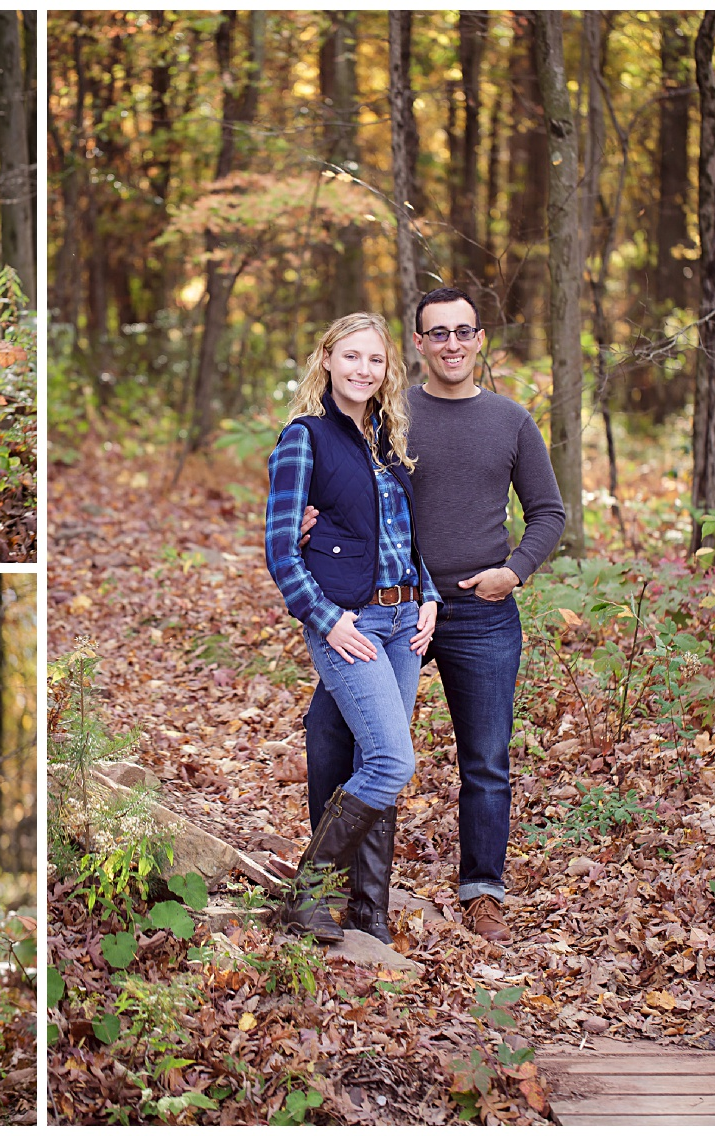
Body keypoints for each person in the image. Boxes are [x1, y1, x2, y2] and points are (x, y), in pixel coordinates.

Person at [301, 286, 566, 944]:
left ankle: (482, 890)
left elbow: (549, 513)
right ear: (416, 345)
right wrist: (312, 521)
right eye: (436, 332)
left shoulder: (510, 421)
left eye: (463, 331)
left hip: (480, 610)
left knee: (485, 757)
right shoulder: (390, 413)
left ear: (480, 340)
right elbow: (336, 482)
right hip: (390, 610)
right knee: (333, 735)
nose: (451, 343)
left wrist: (514, 570)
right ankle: (333, 888)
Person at [264, 312, 440, 945]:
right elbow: (281, 552)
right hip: (353, 621)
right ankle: (307, 896)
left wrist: (429, 594)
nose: (364, 370)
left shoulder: (387, 442)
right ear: (328, 361)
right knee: (394, 761)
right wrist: (328, 619)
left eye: (375, 359)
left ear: (386, 369)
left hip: (404, 621)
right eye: (351, 357)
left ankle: (370, 909)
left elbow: (404, 538)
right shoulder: (303, 439)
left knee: (377, 755)